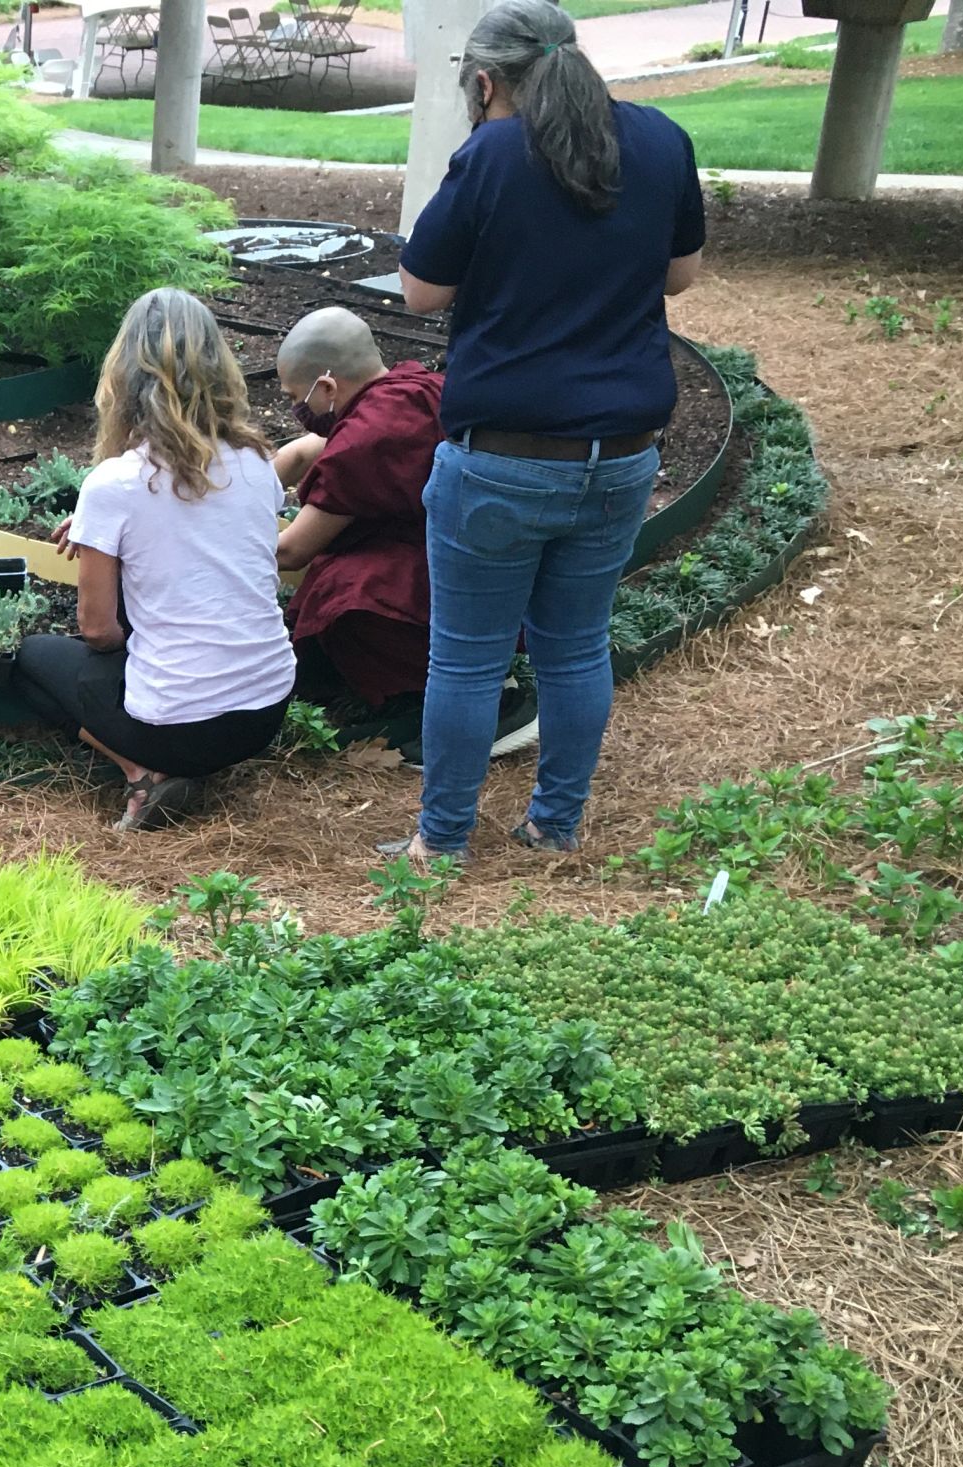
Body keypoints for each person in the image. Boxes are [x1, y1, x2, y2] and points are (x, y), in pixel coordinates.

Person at [392, 0, 704, 862]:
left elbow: (421, 291)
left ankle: (442, 842)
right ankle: (554, 826)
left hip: (501, 461)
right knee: (575, 651)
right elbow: (682, 276)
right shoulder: (660, 139)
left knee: (465, 662)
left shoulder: (491, 151)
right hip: (621, 462)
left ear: (487, 80)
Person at [15, 286, 296, 832]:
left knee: (30, 661)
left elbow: (98, 631)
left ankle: (142, 773)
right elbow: (210, 535)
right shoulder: (259, 463)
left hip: (179, 728)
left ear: (123, 377)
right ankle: (168, 764)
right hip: (266, 712)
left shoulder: (115, 483)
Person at [270, 305, 534, 763]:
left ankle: (484, 705)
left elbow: (292, 550)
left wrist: (210, 539)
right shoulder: (418, 389)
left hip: (453, 579)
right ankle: (477, 671)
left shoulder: (368, 437)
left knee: (343, 588)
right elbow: (308, 450)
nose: (298, 410)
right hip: (503, 564)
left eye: (298, 396)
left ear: (328, 387)